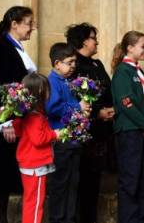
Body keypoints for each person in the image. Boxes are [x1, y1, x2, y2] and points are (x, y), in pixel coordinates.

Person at [0, 6, 36, 223]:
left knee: (5, 175)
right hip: (6, 123)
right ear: (14, 24)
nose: (32, 28)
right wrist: (6, 122)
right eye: (28, 23)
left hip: (17, 120)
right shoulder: (3, 48)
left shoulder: (16, 48)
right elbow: (0, 87)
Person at [65, 22, 115, 223]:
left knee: (94, 181)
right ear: (84, 41)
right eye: (94, 38)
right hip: (82, 132)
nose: (97, 42)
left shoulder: (97, 64)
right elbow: (71, 99)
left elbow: (108, 90)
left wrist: (110, 109)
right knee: (80, 181)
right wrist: (96, 113)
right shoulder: (73, 65)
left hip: (100, 133)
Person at [111, 31, 144, 223]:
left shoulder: (138, 70)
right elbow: (125, 102)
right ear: (130, 48)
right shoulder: (123, 71)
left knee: (140, 180)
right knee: (130, 180)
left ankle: (139, 218)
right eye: (142, 46)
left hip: (141, 132)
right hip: (130, 132)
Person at [45, 42, 89, 223]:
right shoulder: (52, 81)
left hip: (73, 141)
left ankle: (69, 218)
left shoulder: (68, 81)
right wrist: (77, 106)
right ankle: (57, 219)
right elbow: (52, 107)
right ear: (57, 63)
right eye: (69, 62)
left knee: (73, 185)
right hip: (61, 141)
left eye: (74, 63)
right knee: (60, 185)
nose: (73, 66)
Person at [9, 73, 59, 223]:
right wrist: (55, 134)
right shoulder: (35, 116)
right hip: (36, 165)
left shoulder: (26, 114)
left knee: (30, 201)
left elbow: (17, 130)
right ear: (41, 92)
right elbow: (39, 139)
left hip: (29, 164)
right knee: (36, 204)